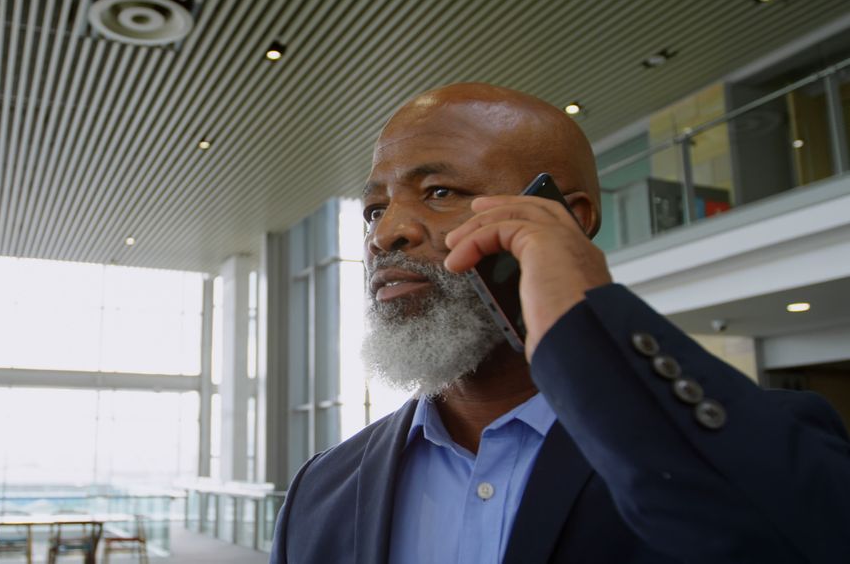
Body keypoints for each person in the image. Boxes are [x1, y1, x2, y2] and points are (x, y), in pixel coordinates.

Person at [268, 83, 850, 564]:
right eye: (374, 209)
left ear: (568, 220)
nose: (384, 232)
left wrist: (589, 324)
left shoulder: (728, 445)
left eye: (440, 191)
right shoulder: (319, 492)